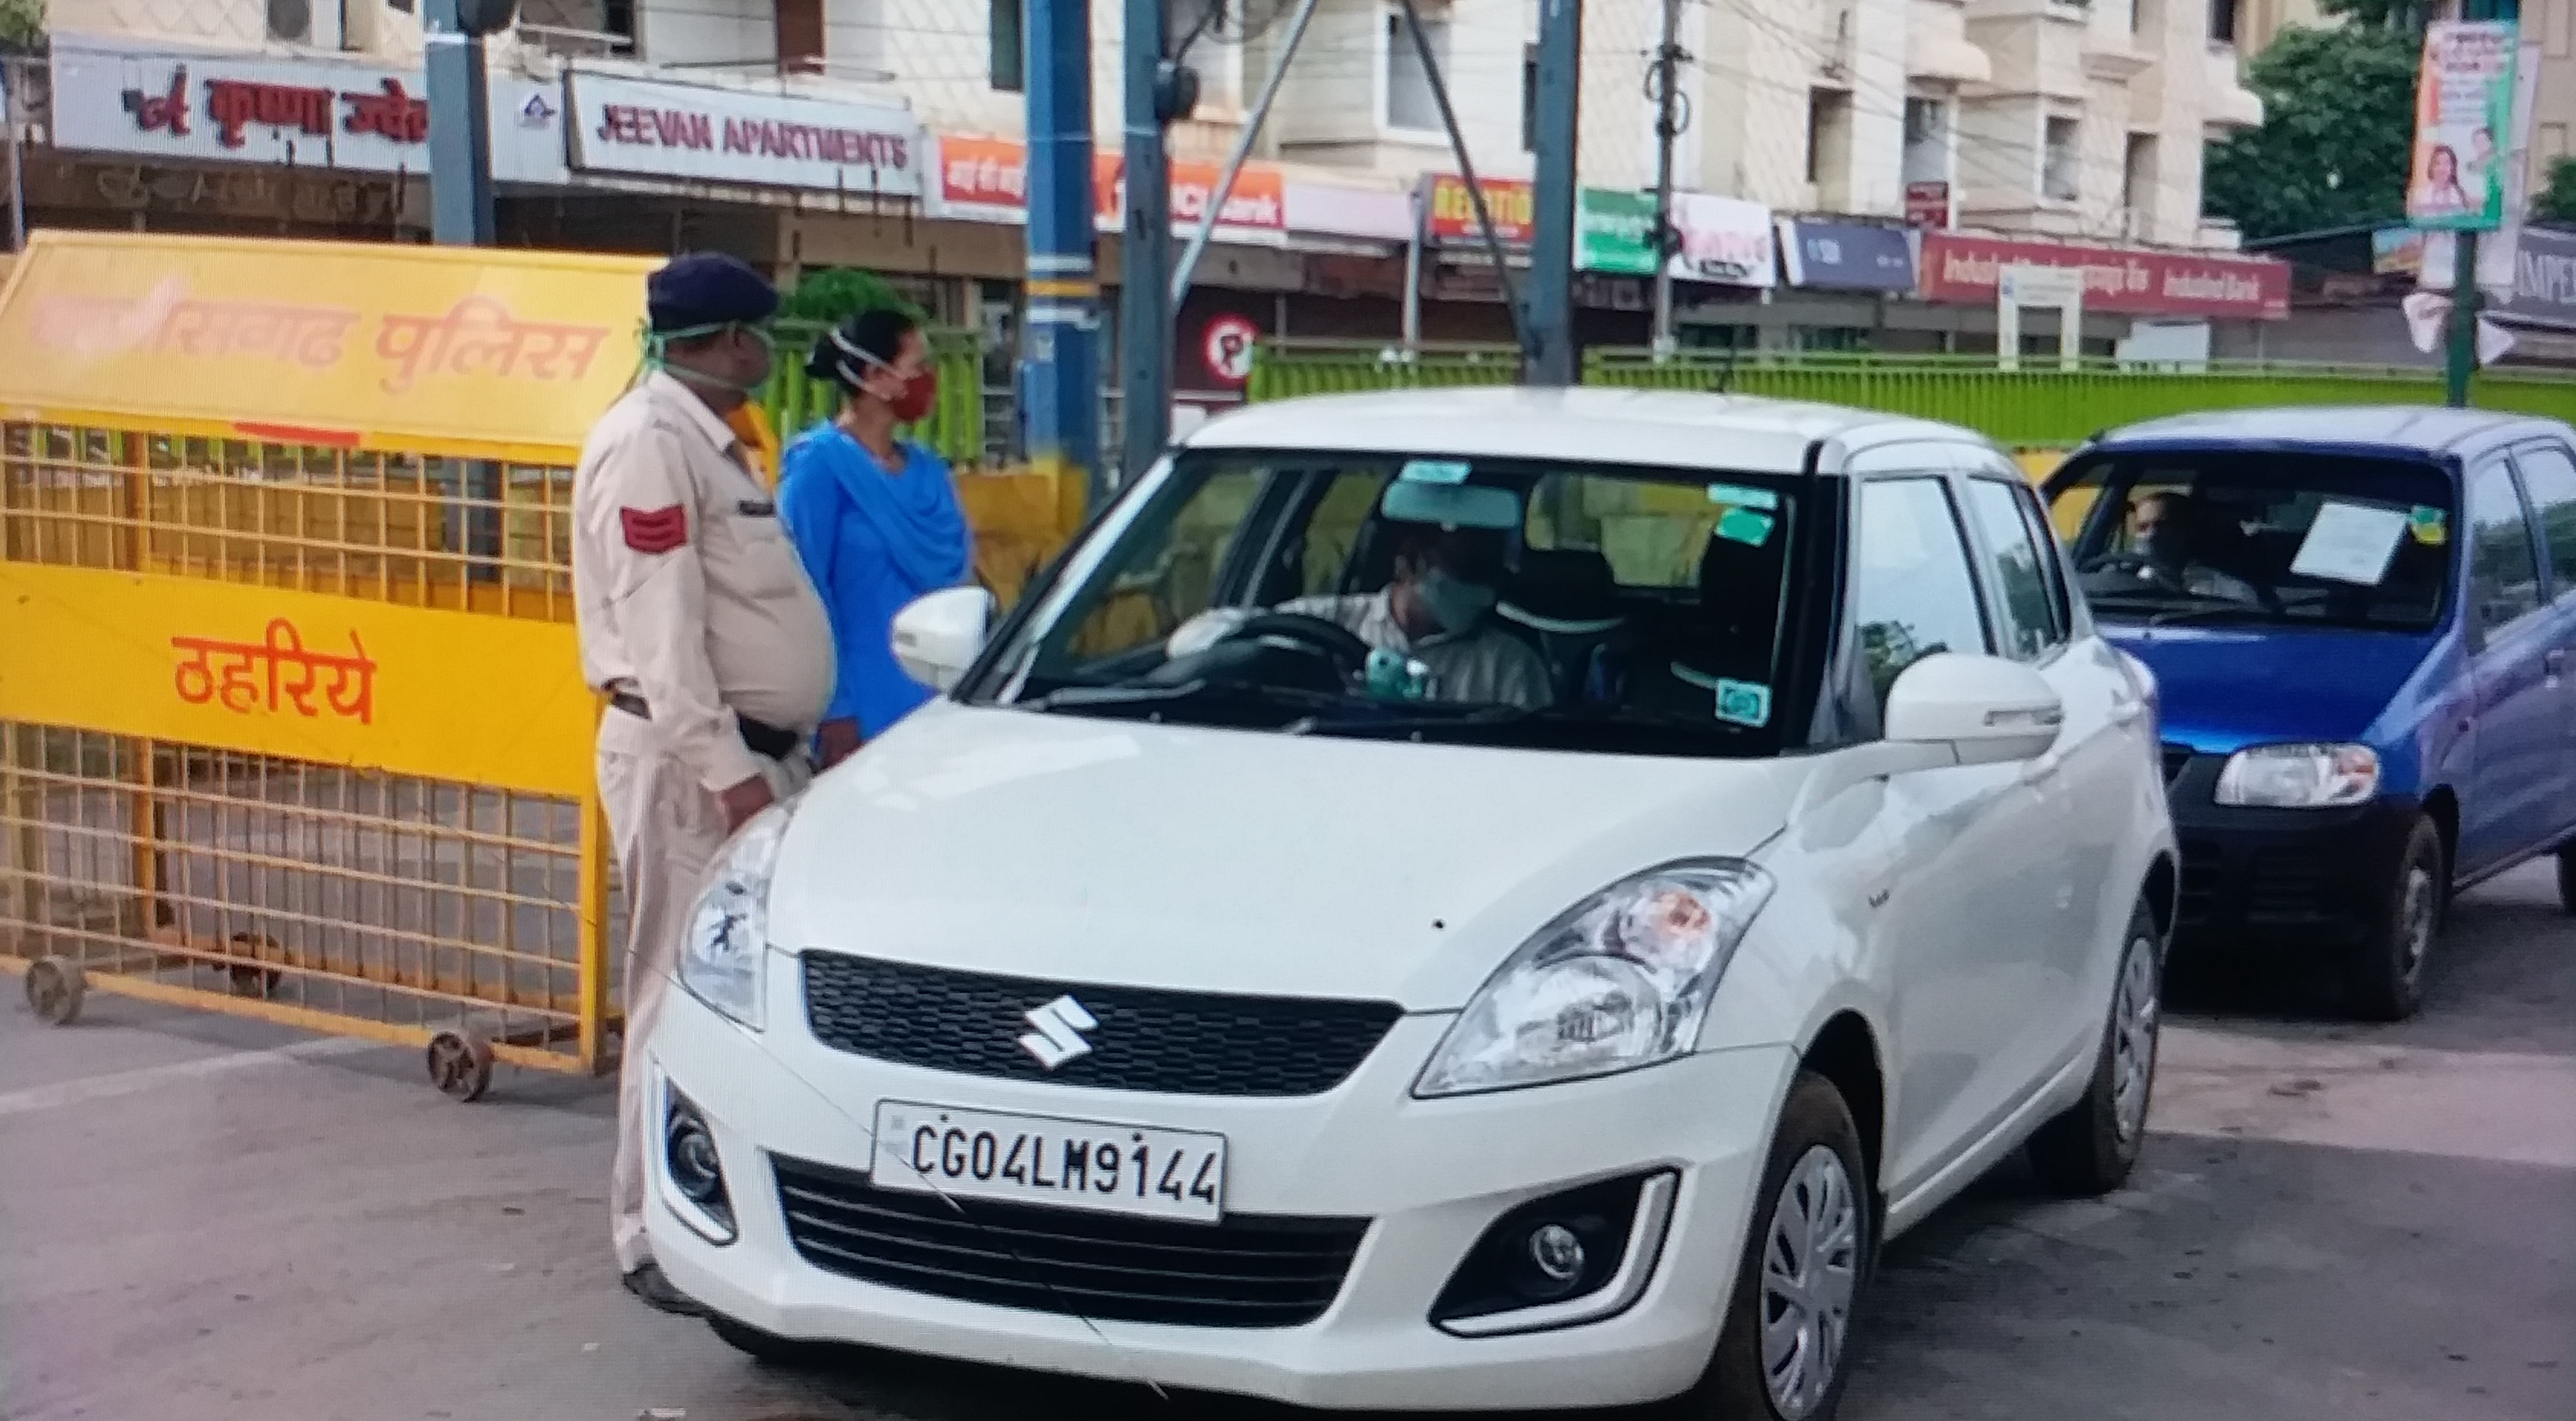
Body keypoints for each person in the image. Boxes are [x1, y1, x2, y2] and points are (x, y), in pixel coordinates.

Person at [571, 252, 835, 1316]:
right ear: (727, 341)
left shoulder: (712, 443)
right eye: (758, 334)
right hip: (693, 766)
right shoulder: (649, 445)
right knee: (673, 995)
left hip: (749, 756)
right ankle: (646, 1232)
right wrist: (730, 776)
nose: (767, 352)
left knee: (730, 999)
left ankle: (711, 1211)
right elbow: (663, 638)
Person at [778, 308, 974, 767]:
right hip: (857, 711)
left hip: (937, 703)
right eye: (918, 368)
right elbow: (805, 593)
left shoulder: (929, 472)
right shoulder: (818, 468)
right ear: (874, 376)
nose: (931, 381)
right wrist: (835, 710)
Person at [1174, 523, 1553, 709]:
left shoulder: (1509, 665)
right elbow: (1195, 642)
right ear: (1409, 564)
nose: (1478, 588)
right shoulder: (1325, 621)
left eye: (1489, 574)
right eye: (1462, 569)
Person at [2126, 491, 2261, 603]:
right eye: (2142, 528)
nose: (2151, 535)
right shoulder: (2122, 586)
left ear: (2186, 530)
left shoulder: (2233, 592)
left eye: (2163, 526)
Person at [2416, 144, 2471, 215]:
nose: (2442, 169)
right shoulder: (2421, 195)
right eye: (2438, 163)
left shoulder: (2459, 195)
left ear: (2453, 168)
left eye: (2447, 163)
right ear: (2431, 167)